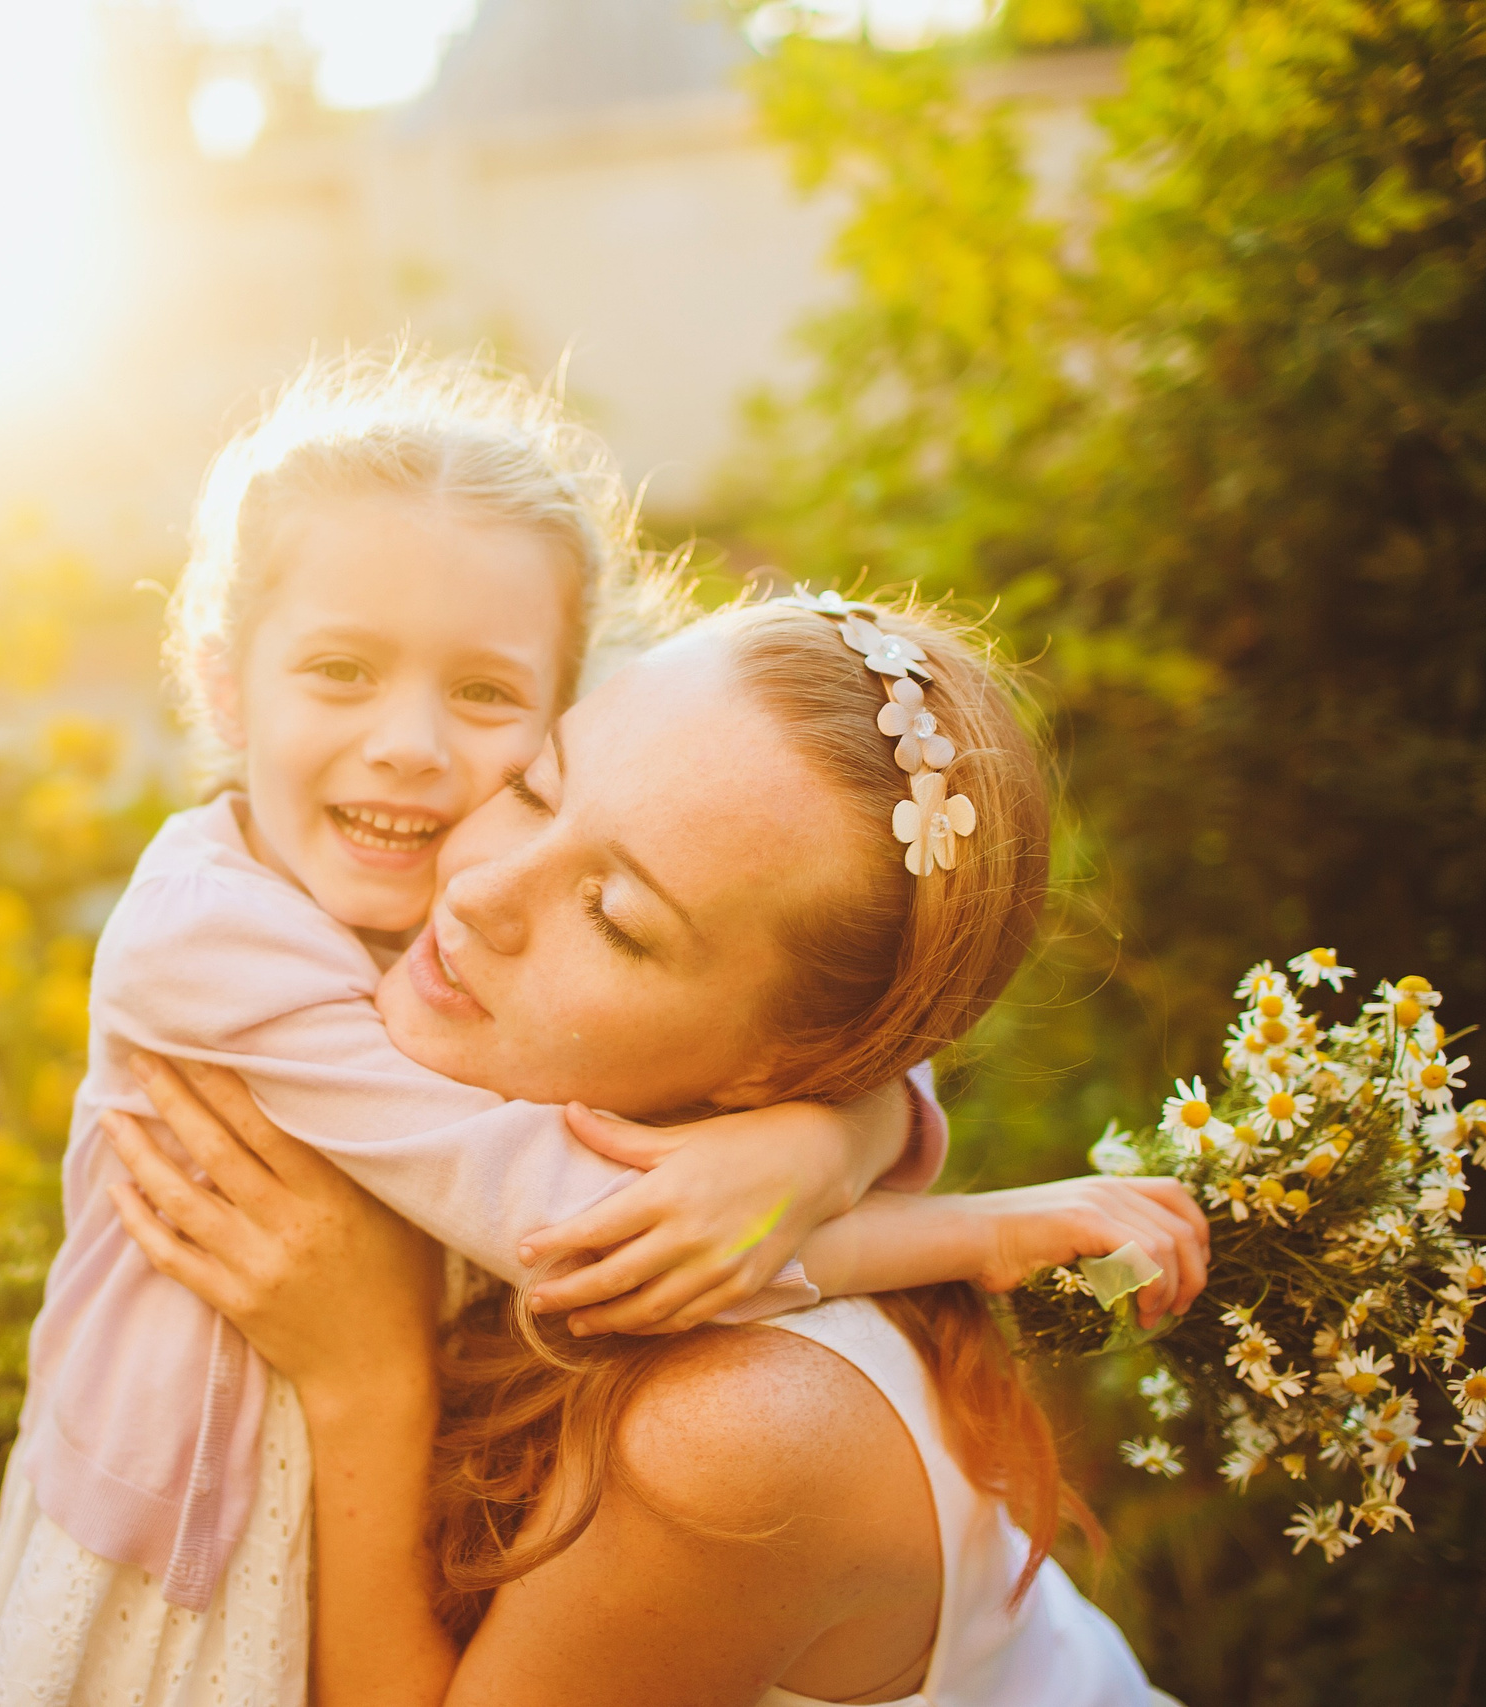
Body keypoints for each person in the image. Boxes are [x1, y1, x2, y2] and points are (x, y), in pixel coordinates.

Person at [0, 359, 975, 1707]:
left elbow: (806, 1004)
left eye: (486, 695)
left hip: (365, 1518)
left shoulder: (475, 884)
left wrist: (829, 1129)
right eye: (340, 670)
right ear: (225, 684)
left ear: (566, 712)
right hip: (183, 1561)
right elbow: (560, 1220)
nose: (412, 746)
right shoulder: (208, 937)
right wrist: (985, 1231)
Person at [106, 598, 1204, 1705]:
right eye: (535, 785)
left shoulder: (732, 1438)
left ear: (779, 1068)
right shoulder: (472, 1012)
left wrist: (365, 1380)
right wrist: (835, 1140)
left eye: (618, 918)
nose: (477, 889)